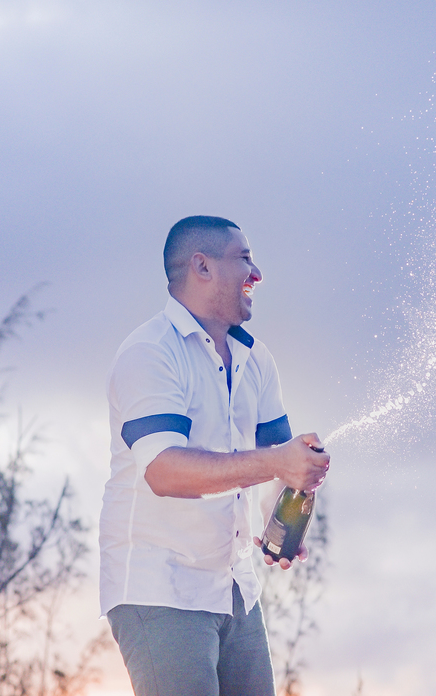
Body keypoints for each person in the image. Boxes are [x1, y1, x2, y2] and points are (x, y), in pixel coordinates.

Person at [99, 216, 330, 696]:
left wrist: (281, 518)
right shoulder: (149, 353)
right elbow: (165, 471)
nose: (257, 273)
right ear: (201, 267)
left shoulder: (256, 358)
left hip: (236, 590)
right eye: (244, 258)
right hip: (160, 590)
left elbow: (276, 462)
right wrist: (276, 463)